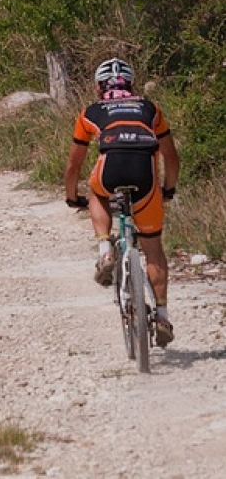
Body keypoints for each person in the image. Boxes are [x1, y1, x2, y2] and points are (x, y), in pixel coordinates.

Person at [64, 58, 180, 347]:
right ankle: (162, 315)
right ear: (131, 84)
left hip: (111, 168)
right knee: (152, 246)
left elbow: (74, 163)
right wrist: (168, 189)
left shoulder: (90, 111)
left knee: (97, 192)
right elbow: (170, 155)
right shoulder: (150, 108)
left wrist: (70, 196)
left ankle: (105, 249)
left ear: (98, 86)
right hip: (145, 174)